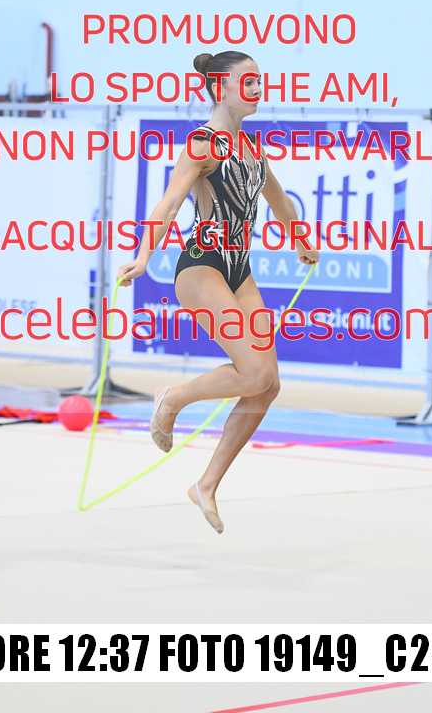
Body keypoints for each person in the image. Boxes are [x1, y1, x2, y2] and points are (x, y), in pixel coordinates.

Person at [118, 50, 319, 534]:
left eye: (260, 81)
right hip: (202, 265)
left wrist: (301, 240)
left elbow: (280, 202)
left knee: (268, 383)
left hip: (238, 268)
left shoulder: (252, 149)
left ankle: (206, 485)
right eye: (247, 81)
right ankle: (172, 399)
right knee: (253, 370)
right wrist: (143, 257)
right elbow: (169, 204)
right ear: (219, 87)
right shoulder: (202, 144)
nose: (258, 89)